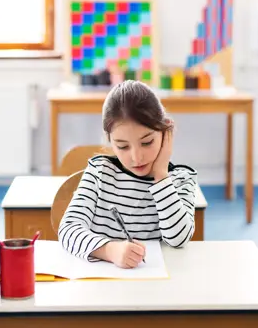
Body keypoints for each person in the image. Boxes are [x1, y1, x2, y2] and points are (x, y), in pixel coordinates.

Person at [58, 80, 198, 269]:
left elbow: (178, 239)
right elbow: (67, 230)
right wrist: (109, 250)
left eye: (147, 142)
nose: (136, 157)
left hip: (157, 288)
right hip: (104, 287)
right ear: (109, 141)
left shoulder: (181, 179)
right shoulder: (100, 172)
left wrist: (161, 175)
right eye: (122, 146)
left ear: (165, 133)